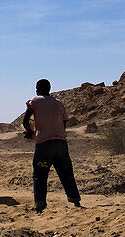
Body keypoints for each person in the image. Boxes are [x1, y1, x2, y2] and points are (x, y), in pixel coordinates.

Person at [22, 79, 81, 212]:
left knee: (40, 175)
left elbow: (25, 121)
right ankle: (75, 200)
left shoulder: (35, 101)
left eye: (37, 87)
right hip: (60, 145)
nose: (36, 90)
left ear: (38, 89)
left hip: (44, 146)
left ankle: (39, 205)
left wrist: (30, 132)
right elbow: (64, 123)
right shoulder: (59, 103)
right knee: (66, 173)